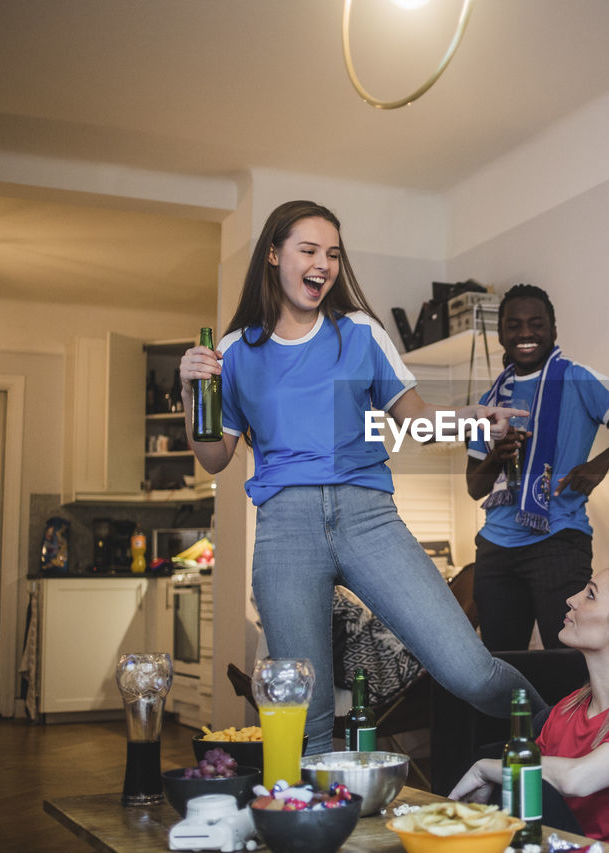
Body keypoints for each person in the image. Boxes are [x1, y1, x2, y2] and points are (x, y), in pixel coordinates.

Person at [177, 200, 542, 753]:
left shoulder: (360, 333)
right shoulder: (235, 350)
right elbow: (214, 457)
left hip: (368, 518)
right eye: (308, 250)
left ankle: (565, 733)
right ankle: (324, 828)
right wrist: (189, 391)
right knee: (309, 717)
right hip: (286, 529)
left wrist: (470, 420)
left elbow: (415, 422)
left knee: (471, 671)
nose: (323, 264)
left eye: (333, 254)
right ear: (274, 255)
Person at [451, 560, 609, 853]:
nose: (572, 599)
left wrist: (482, 770)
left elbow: (578, 779)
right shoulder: (566, 709)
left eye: (590, 594)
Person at [466, 284, 609, 651]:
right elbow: (475, 487)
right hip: (496, 548)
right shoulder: (488, 400)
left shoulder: (578, 378)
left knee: (567, 659)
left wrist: (600, 463)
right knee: (501, 664)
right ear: (501, 334)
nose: (525, 333)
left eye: (536, 323)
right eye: (514, 325)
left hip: (558, 541)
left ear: (553, 331)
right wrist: (497, 456)